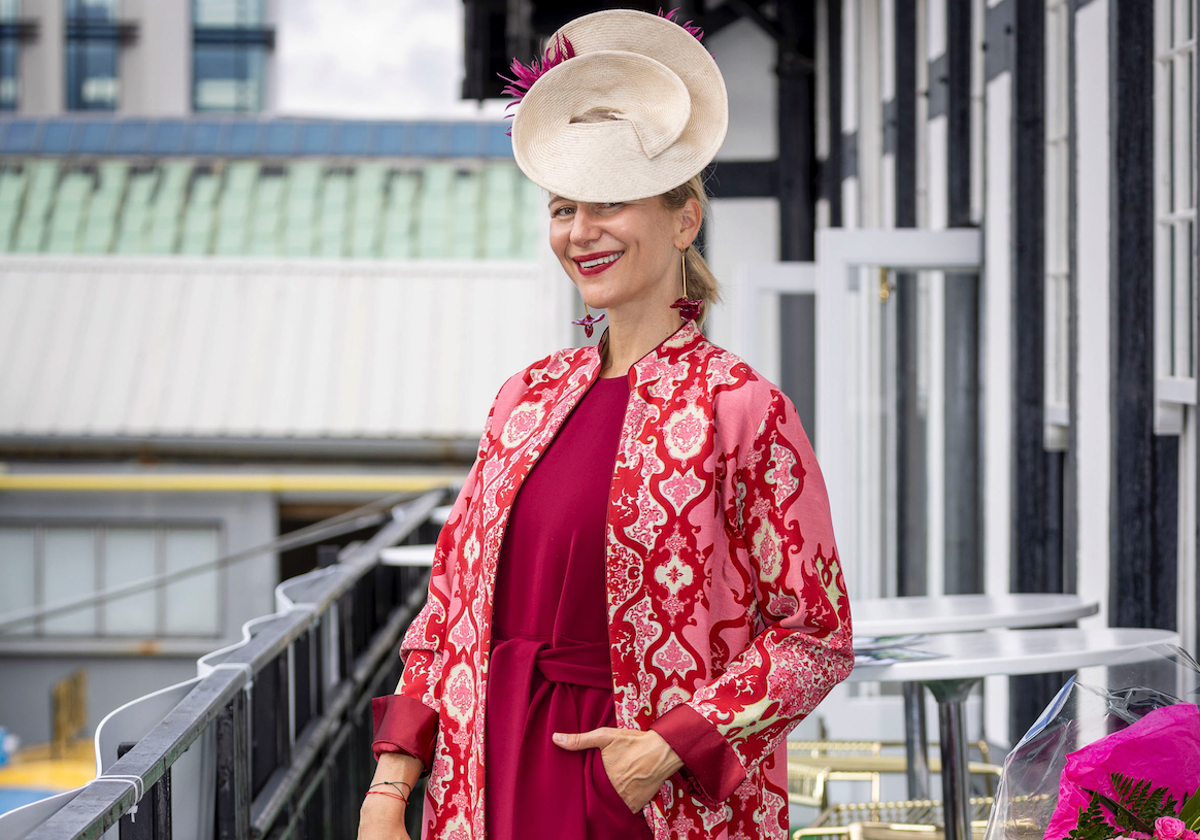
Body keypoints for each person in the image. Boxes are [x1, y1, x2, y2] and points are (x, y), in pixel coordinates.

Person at [357, 9, 853, 840]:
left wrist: (666, 748)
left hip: (641, 795)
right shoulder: (524, 398)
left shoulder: (740, 407)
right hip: (481, 780)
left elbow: (817, 636)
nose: (580, 233)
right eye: (562, 208)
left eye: (610, 204)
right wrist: (389, 783)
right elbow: (447, 603)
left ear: (684, 219)